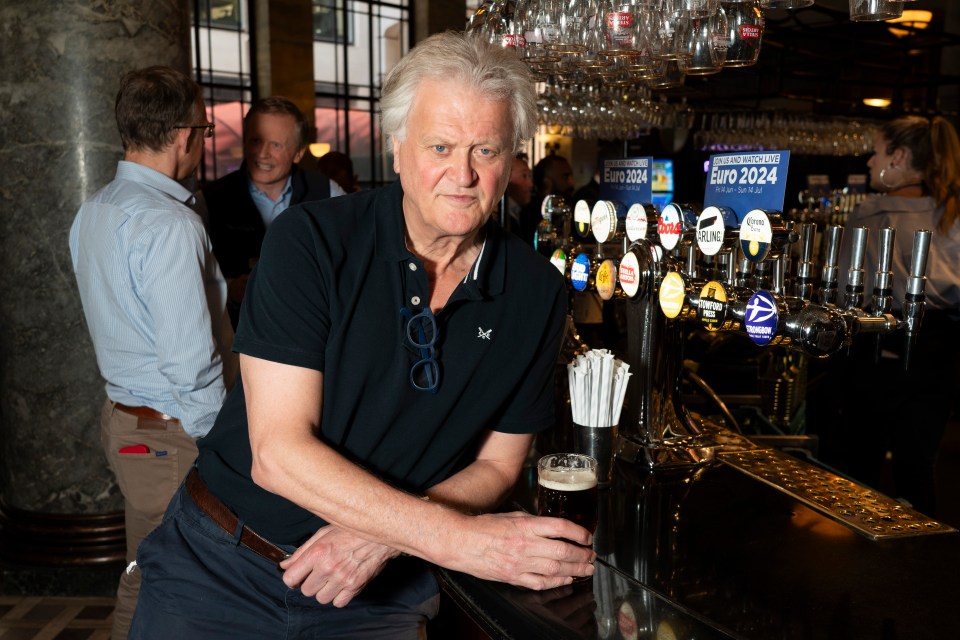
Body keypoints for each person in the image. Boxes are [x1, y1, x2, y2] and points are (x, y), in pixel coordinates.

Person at [130, 32, 595, 639]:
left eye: (486, 150)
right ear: (397, 149)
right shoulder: (310, 241)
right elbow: (277, 454)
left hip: (380, 595)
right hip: (222, 567)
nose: (462, 174)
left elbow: (500, 465)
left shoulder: (536, 292)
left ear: (510, 161)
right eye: (440, 146)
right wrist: (453, 539)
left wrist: (384, 536)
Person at [68, 65, 236, 639]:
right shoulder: (170, 224)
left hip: (129, 424)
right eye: (207, 130)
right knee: (160, 576)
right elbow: (191, 363)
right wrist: (224, 445)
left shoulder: (95, 208)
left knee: (157, 569)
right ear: (185, 135)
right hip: (170, 436)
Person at [816, 115, 960, 517]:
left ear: (898, 157)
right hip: (940, 354)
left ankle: (860, 565)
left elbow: (847, 293)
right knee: (919, 469)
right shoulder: (953, 211)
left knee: (861, 467)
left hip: (878, 346)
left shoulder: (873, 212)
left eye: (876, 152)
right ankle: (925, 566)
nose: (868, 161)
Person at [203, 96, 338, 328]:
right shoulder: (210, 198)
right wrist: (228, 287)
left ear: (298, 153)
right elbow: (190, 277)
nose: (262, 154)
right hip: (235, 335)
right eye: (256, 141)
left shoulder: (328, 193)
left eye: (276, 145)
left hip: (307, 331)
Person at [504, 152, 534, 240]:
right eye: (524, 176)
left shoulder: (525, 213)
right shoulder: (498, 217)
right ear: (506, 178)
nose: (530, 184)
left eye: (529, 176)